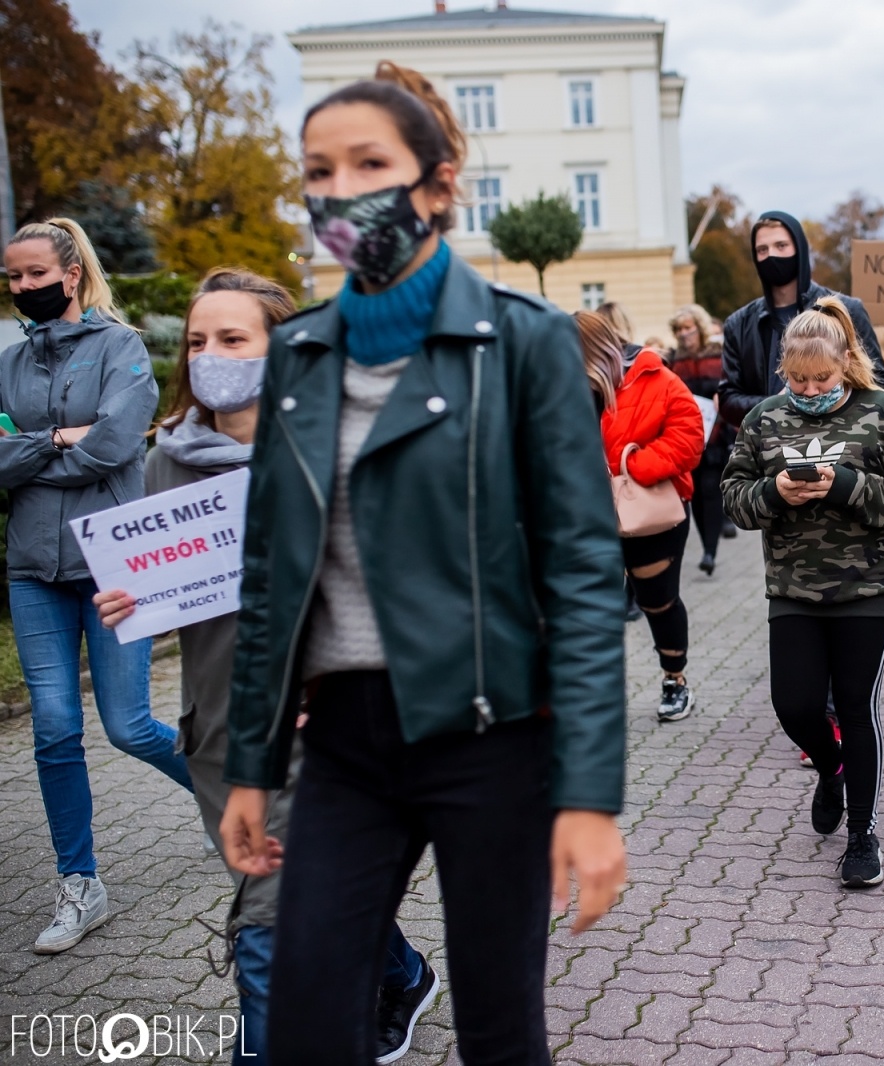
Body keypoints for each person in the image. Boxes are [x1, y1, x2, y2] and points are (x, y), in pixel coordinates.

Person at [214, 62, 627, 1065]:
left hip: (490, 738)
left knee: (496, 1029)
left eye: (369, 164)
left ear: (437, 185)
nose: (339, 192)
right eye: (318, 170)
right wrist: (251, 764)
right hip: (347, 746)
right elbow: (270, 571)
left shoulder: (524, 346)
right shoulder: (301, 358)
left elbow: (581, 575)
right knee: (308, 1020)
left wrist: (589, 793)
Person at [91, 269, 435, 1065]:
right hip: (220, 727)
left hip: (325, 731)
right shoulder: (168, 461)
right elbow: (166, 583)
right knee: (303, 890)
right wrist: (128, 597)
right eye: (198, 340)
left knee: (266, 930)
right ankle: (403, 972)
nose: (211, 355)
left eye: (233, 339)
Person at [1, 217, 194, 955]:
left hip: (114, 565)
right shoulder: (8, 362)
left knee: (128, 725)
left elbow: (115, 444)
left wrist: (25, 451)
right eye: (12, 278)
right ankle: (80, 883)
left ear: (70, 274)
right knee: (53, 728)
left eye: (34, 276)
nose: (22, 289)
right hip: (34, 571)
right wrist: (55, 439)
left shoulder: (121, 348)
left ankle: (225, 797)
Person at [721, 296, 884, 889]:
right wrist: (772, 494)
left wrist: (847, 485)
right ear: (782, 370)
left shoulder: (883, 410)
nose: (810, 388)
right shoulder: (765, 418)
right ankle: (829, 769)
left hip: (869, 585)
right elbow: (732, 496)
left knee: (856, 705)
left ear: (845, 363)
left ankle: (863, 835)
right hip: (793, 586)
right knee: (793, 704)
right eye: (797, 378)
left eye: (822, 378)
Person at [585, 309, 704, 722]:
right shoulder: (562, 386)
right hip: (587, 512)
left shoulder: (656, 377)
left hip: (650, 512)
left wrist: (632, 468)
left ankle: (676, 680)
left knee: (658, 601)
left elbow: (689, 439)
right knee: (591, 605)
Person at [717, 211, 884, 427]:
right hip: (769, 449)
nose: (771, 256)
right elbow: (728, 400)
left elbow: (879, 385)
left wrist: (825, 400)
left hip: (839, 444)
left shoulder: (846, 310)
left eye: (781, 246)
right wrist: (778, 403)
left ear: (799, 249)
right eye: (762, 250)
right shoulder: (739, 324)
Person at [666, 303, 732, 575]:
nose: (684, 334)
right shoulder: (674, 361)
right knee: (694, 495)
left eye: (688, 327)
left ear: (700, 328)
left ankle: (710, 551)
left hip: (715, 434)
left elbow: (731, 388)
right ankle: (706, 544)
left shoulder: (719, 355)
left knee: (710, 490)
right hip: (686, 437)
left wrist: (723, 398)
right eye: (679, 329)